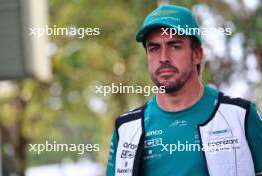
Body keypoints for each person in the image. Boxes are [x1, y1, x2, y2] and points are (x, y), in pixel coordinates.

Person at [106, 4, 262, 176]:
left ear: (197, 55)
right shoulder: (126, 128)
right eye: (154, 48)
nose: (163, 58)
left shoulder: (241, 116)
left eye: (175, 46)